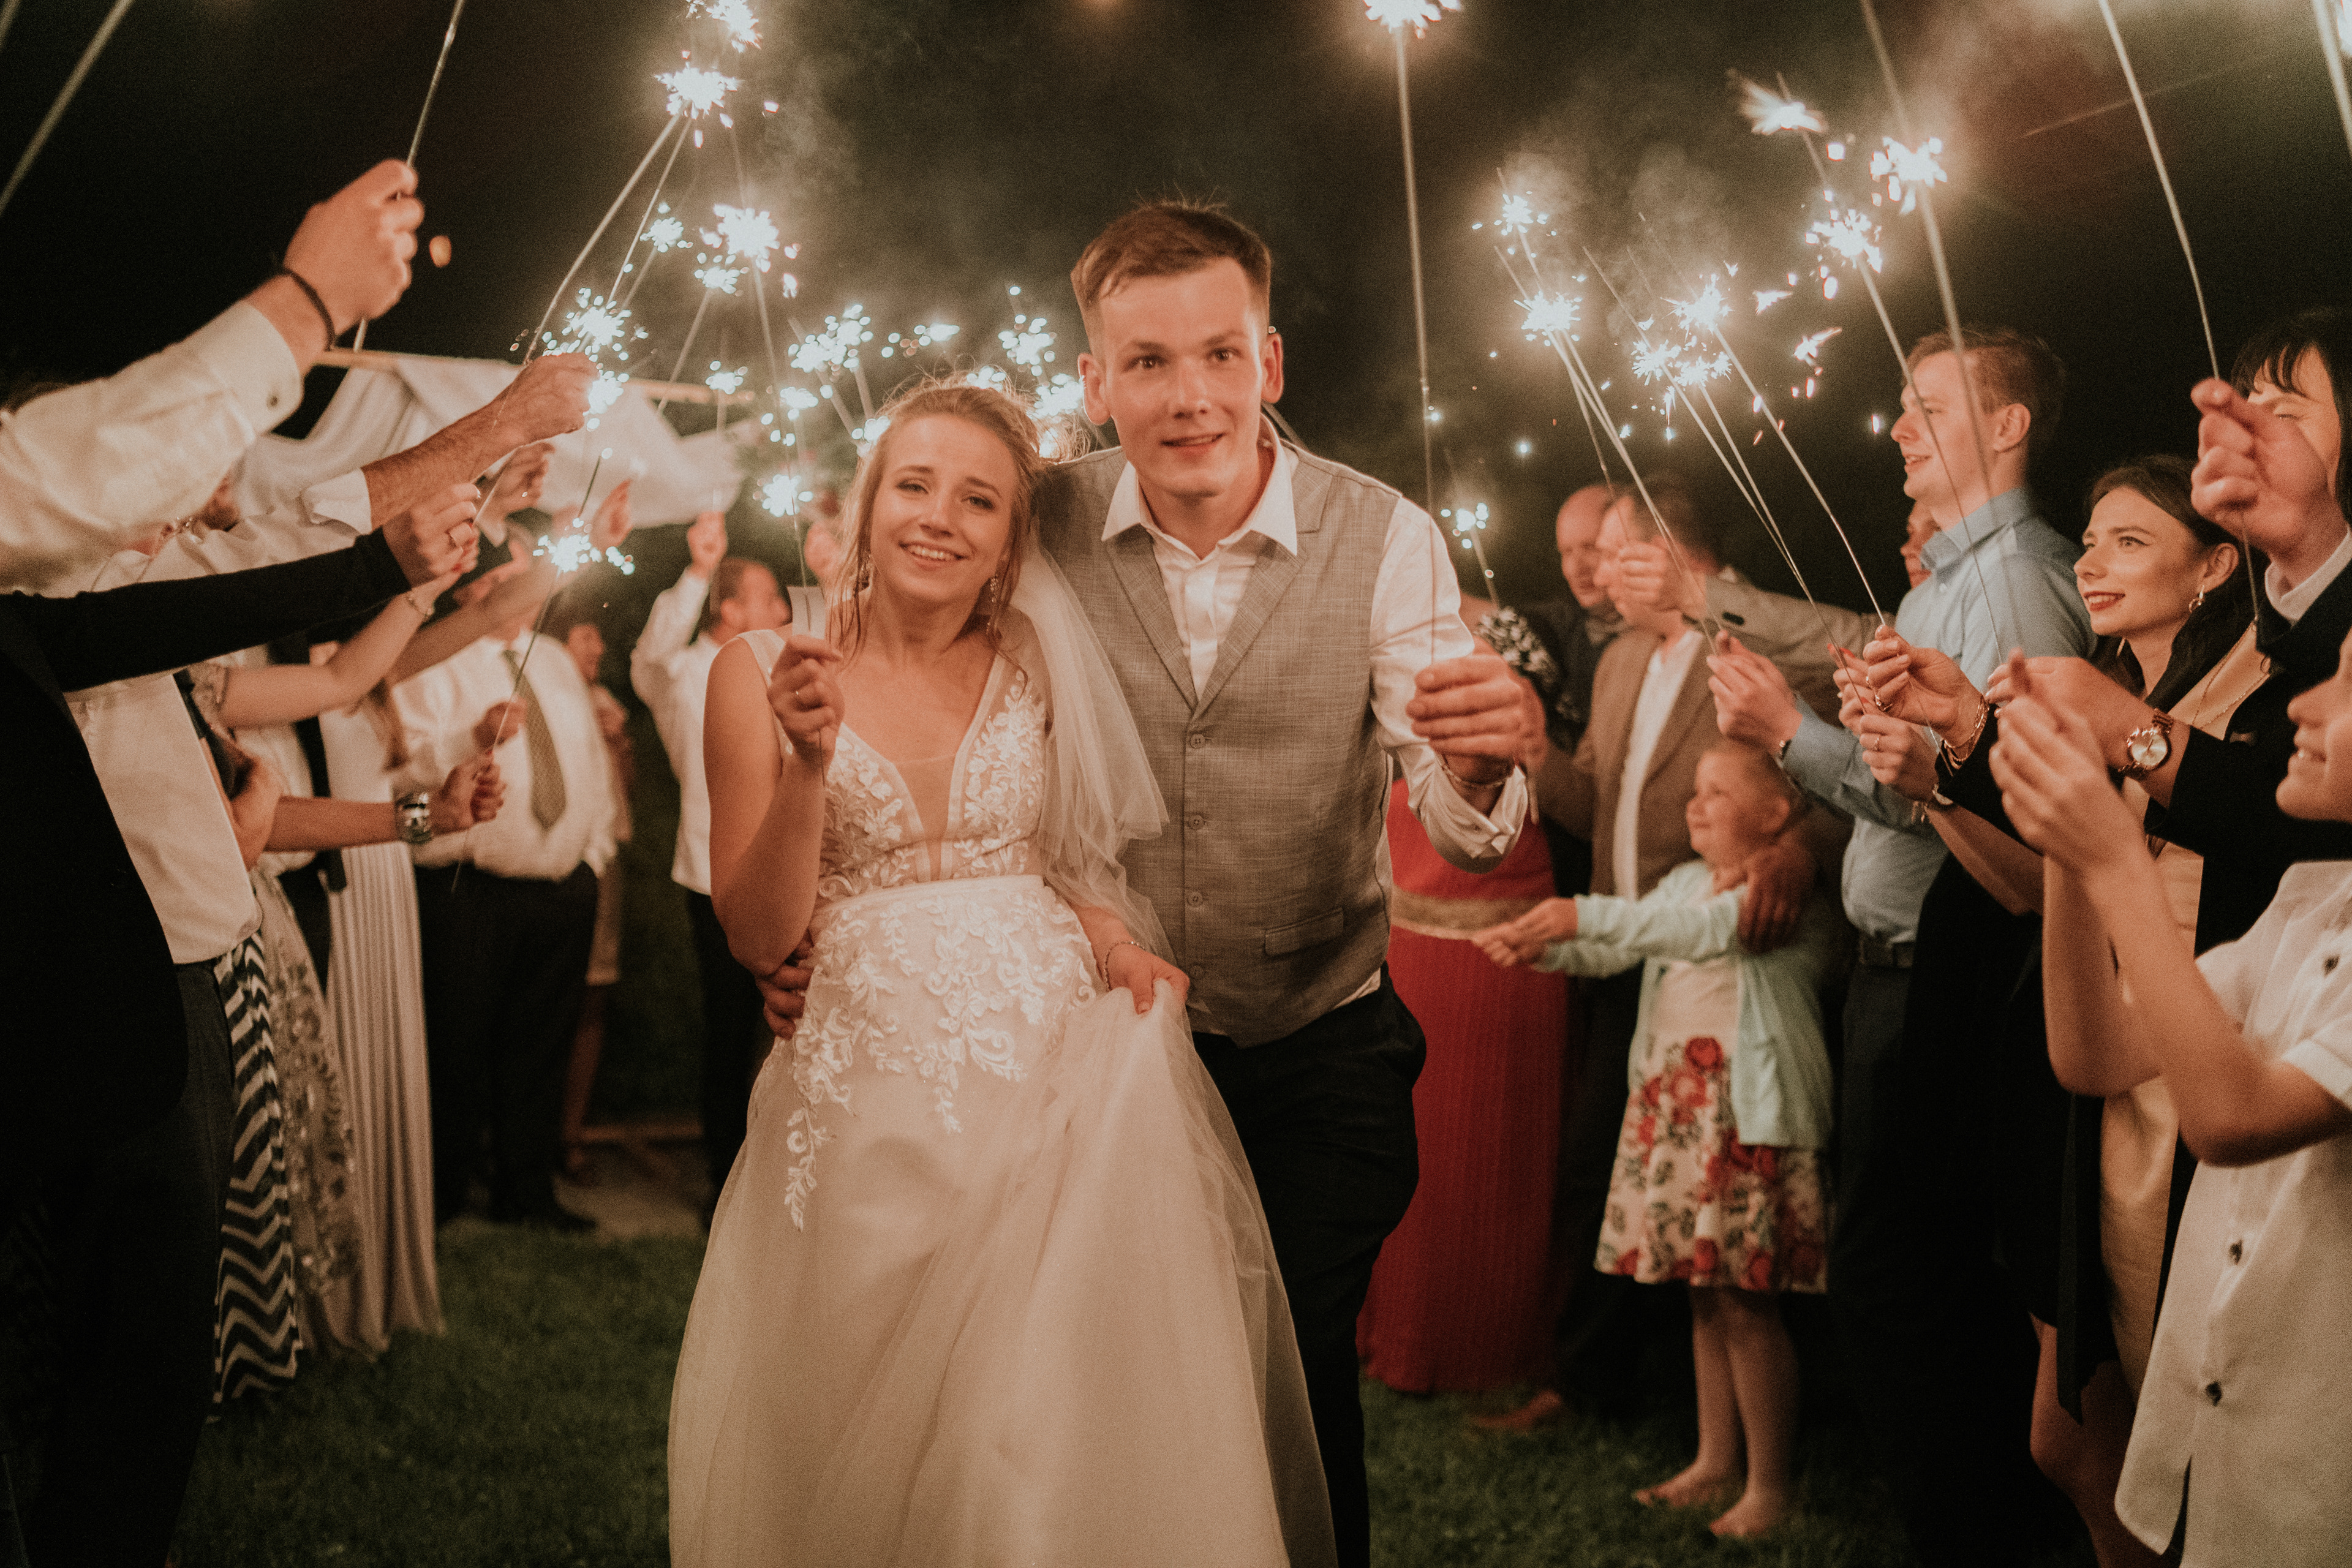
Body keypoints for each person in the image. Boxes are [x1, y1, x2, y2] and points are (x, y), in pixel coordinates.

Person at [669, 380, 1335, 1566]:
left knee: (1038, 1404)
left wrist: (1118, 946)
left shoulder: (1034, 659)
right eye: (915, 485)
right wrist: (809, 761)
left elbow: (1068, 857)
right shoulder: (757, 667)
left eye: (978, 500)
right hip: (866, 1087)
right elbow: (760, 939)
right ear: (867, 506)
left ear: (1011, 540)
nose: (941, 517)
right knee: (866, 1380)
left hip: (1045, 1066)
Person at [1709, 325, 2090, 1567]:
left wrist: (1786, 731)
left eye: (1927, 405)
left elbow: (1983, 792)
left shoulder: (2018, 584)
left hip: (1951, 972)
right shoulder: (1937, 583)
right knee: (1902, 1279)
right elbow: (1908, 771)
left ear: (2008, 426)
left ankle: (1984, 1534)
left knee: (1914, 1287)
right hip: (1889, 971)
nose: (1896, 427)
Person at [1990, 631, 2352, 1566]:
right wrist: (2071, 844)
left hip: (2321, 1432)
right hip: (2238, 1404)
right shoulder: (2311, 900)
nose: (2305, 706)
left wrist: (2117, 861)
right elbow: (2096, 1055)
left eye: (2351, 686)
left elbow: (2233, 1120)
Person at [1490, 480, 1841, 1434]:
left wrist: (1801, 851)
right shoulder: (1618, 663)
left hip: (1728, 954)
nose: (1596, 573)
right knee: (1615, 1171)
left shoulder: (1762, 644)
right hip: (1628, 944)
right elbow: (1593, 803)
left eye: (1614, 551)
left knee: (1721, 1191)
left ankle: (1723, 1410)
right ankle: (1610, 1387)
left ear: (1671, 556)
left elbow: (1832, 778)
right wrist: (1537, 753)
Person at [1476, 739, 1836, 1538]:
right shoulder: (1680, 881)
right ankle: (1716, 1461)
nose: (1695, 805)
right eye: (1694, 790)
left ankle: (1771, 1484)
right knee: (1705, 1296)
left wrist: (1582, 912)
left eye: (1718, 792)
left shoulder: (1776, 897)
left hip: (1744, 1119)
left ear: (1777, 813)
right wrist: (1549, 944)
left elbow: (1692, 932)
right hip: (1682, 1115)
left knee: (1747, 1302)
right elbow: (1626, 943)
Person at [396, 490, 631, 1231]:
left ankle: (526, 1192)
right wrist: (471, 737)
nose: (528, 589)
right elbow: (400, 769)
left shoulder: (554, 660)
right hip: (470, 887)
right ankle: (440, 1194)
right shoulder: (434, 661)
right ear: (474, 590)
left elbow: (587, 759)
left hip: (561, 886)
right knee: (456, 1044)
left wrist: (591, 856)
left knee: (541, 1044)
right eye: (512, 577)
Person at [1356, 602, 1566, 1396]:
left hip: (1497, 976)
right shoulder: (1407, 725)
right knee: (1399, 1152)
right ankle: (1388, 1328)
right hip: (1408, 961)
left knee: (1484, 1163)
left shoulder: (1522, 740)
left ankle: (1477, 1341)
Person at [631, 511, 797, 1203]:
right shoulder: (681, 673)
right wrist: (700, 568)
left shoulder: (782, 669)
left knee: (793, 1026)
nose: (783, 611)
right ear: (729, 610)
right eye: (769, 598)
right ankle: (725, 1179)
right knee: (730, 1031)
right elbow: (649, 655)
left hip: (794, 872)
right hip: (713, 876)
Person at [553, 590, 635, 1183]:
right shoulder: (546, 696)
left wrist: (618, 746)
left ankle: (571, 1132)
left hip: (605, 864)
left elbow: (626, 796)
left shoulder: (606, 703)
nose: (598, 646)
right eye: (586, 635)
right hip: (558, 861)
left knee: (593, 997)